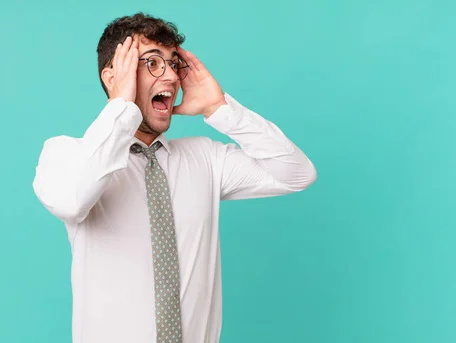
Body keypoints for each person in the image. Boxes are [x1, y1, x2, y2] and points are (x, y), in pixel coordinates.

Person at [32, 12, 317, 343]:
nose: (169, 76)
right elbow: (71, 200)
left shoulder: (206, 158)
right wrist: (121, 107)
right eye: (152, 63)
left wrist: (219, 108)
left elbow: (297, 173)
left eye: (172, 63)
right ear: (113, 77)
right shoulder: (67, 155)